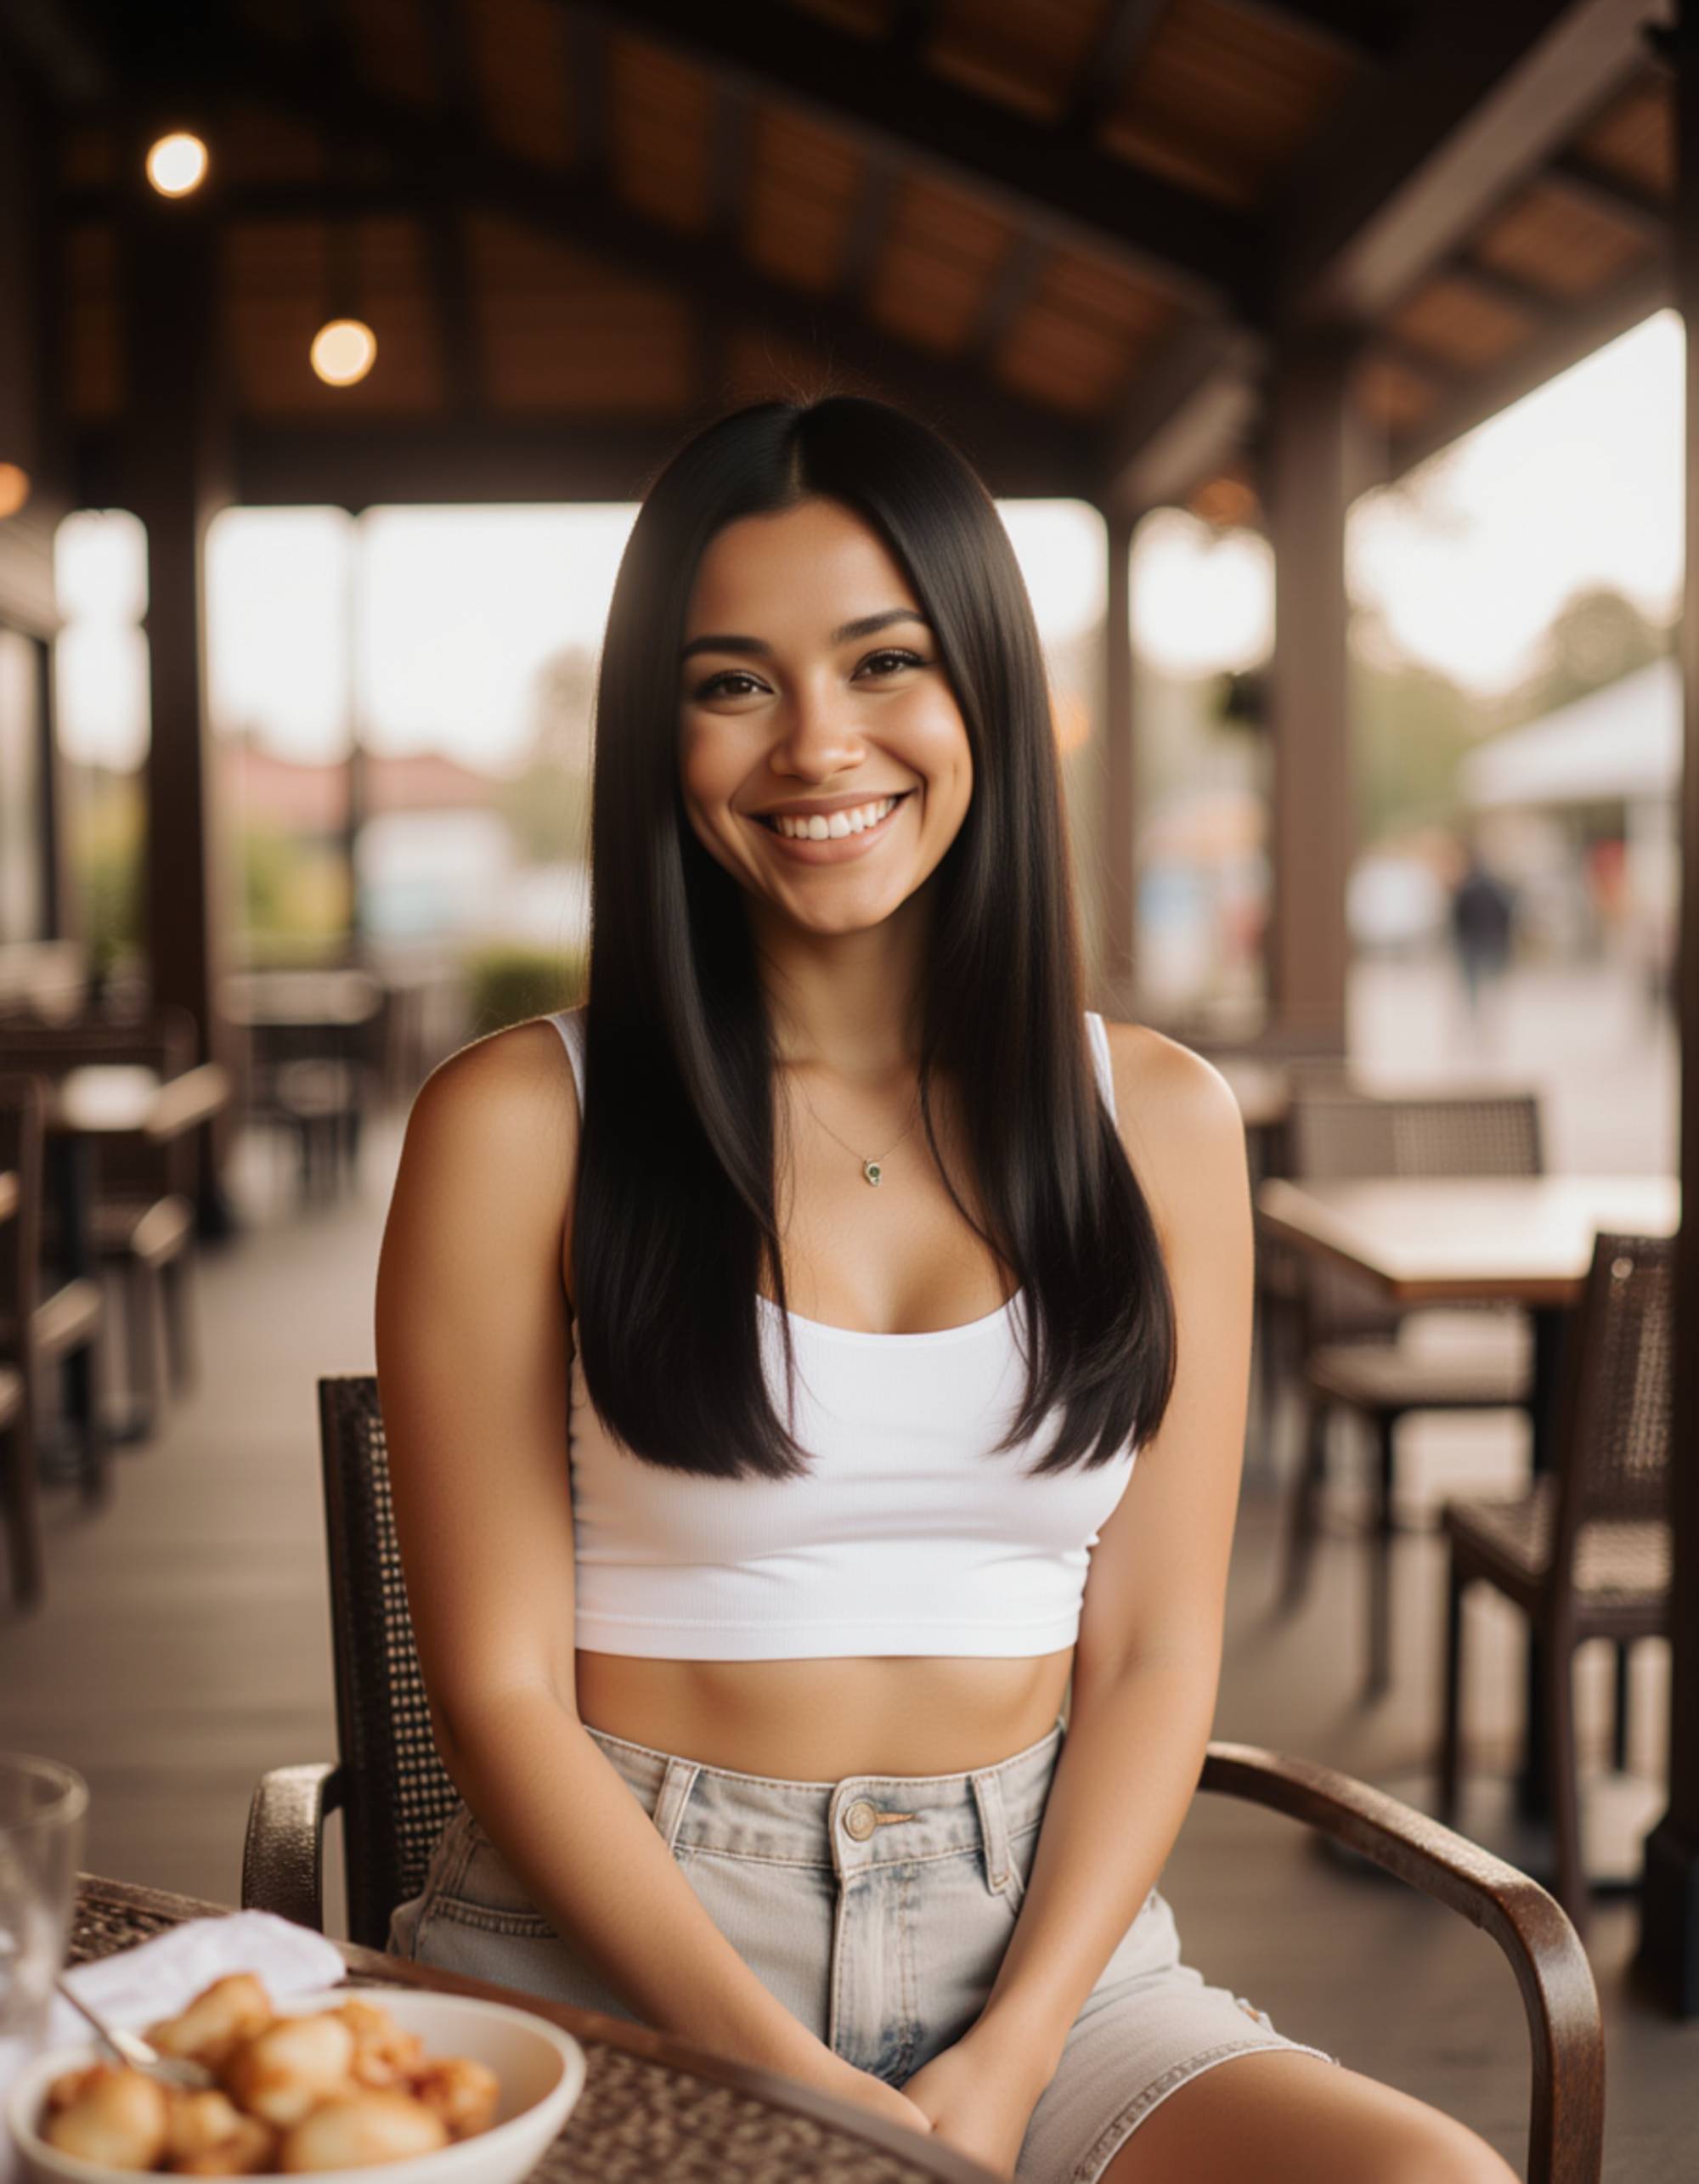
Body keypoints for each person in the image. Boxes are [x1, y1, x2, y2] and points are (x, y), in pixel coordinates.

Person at [375, 398, 1516, 2184]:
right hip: (622, 1953)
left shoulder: (1158, 1119)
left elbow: (1150, 1650)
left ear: (985, 687)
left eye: (882, 661)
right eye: (731, 681)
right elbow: (500, 1685)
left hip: (1047, 1956)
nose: (816, 743)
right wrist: (782, 2077)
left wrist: (1011, 2049)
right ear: (656, 736)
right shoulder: (521, 1122)